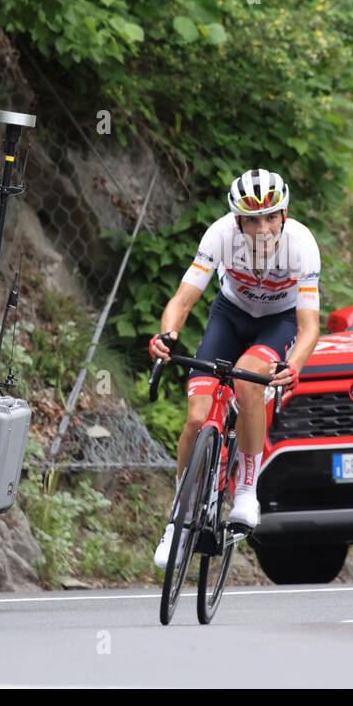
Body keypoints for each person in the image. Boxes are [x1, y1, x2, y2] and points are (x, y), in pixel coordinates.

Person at [148, 169, 321, 568]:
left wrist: (293, 365)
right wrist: (168, 336)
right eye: (251, 219)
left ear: (284, 215)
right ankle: (180, 518)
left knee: (247, 381)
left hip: (278, 322)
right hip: (229, 316)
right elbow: (183, 300)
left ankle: (245, 491)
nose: (262, 228)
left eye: (271, 217)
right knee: (196, 417)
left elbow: (310, 326)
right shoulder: (220, 235)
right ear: (237, 220)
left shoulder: (302, 246)